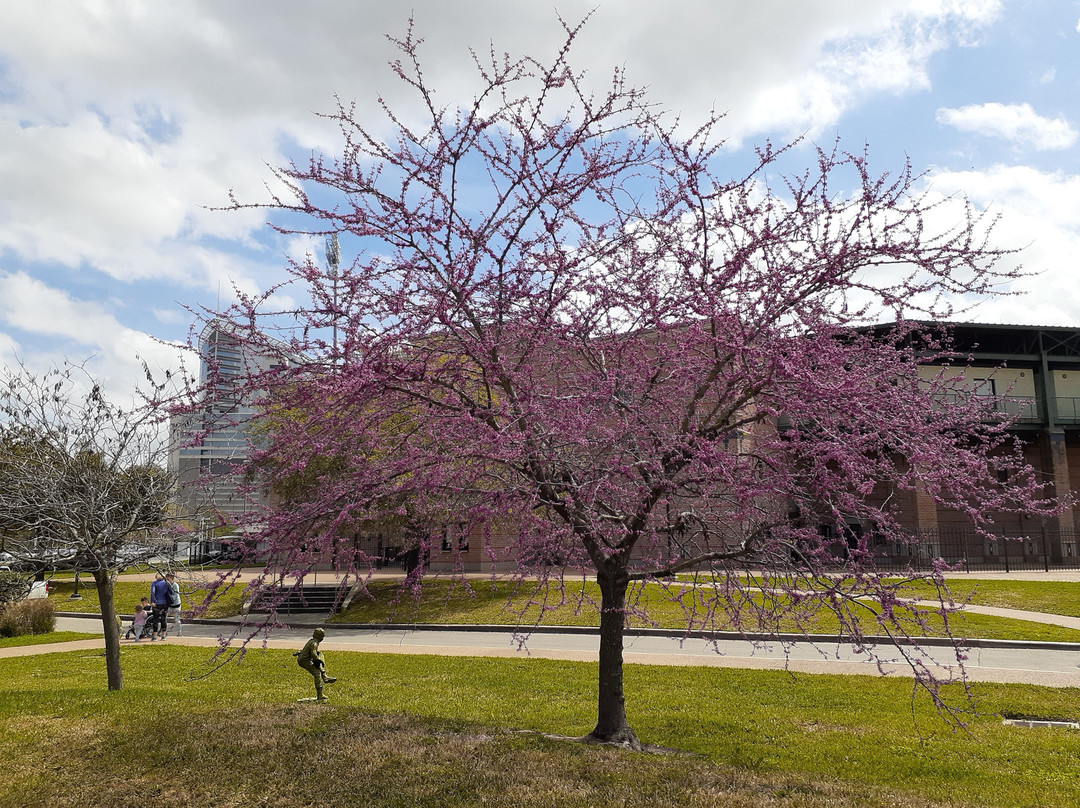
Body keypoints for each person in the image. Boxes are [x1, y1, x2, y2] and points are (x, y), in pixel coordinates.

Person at [293, 628, 337, 702]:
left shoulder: (311, 641)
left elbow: (306, 650)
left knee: (320, 654)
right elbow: (313, 654)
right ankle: (320, 694)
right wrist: (318, 661)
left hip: (303, 659)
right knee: (317, 674)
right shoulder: (314, 643)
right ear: (320, 637)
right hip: (304, 661)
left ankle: (324, 675)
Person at [149, 572, 171, 641]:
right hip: (165, 603)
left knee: (155, 620)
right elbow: (171, 592)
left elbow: (153, 592)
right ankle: (163, 635)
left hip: (157, 603)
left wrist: (152, 601)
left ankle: (154, 635)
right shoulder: (166, 583)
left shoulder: (154, 583)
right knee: (163, 619)